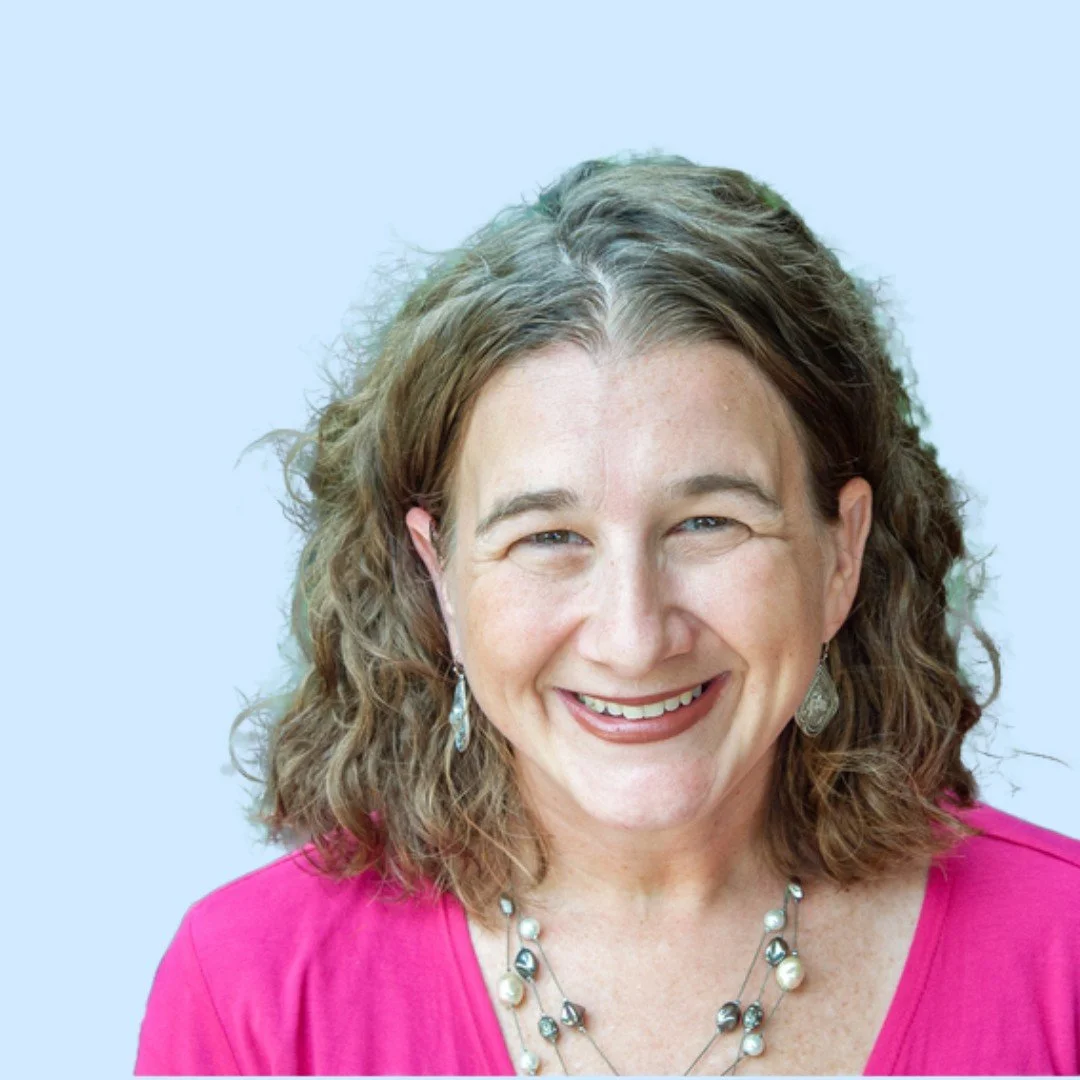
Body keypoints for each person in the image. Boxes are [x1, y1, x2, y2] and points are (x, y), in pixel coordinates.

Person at [134, 155, 1080, 1076]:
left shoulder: (1062, 956)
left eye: (708, 523)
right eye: (548, 537)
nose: (634, 637)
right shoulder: (254, 996)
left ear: (840, 554)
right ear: (440, 577)